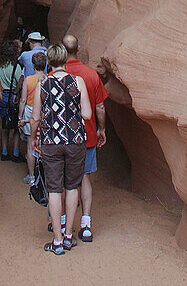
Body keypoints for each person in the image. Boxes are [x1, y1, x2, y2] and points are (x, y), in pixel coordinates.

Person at [30, 43, 91, 255]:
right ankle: (68, 236)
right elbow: (87, 114)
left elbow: (35, 117)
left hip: (51, 142)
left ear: (49, 60)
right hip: (75, 142)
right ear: (65, 59)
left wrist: (33, 138)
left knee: (54, 188)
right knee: (72, 186)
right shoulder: (78, 81)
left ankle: (56, 241)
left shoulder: (43, 84)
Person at [63, 33, 108, 242]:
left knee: (64, 178)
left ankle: (64, 221)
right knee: (84, 177)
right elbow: (100, 106)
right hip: (87, 136)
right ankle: (86, 224)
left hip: (62, 137)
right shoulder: (90, 75)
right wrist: (101, 130)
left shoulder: (57, 74)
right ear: (78, 49)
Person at [19, 50, 46, 183]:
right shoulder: (48, 79)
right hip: (44, 112)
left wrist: (20, 117)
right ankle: (44, 175)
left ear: (34, 66)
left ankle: (32, 176)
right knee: (44, 144)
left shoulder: (28, 80)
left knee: (31, 145)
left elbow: (23, 100)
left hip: (30, 111)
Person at [0, 40, 22, 162]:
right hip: (13, 96)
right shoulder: (16, 66)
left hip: (3, 96)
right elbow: (19, 81)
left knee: (5, 124)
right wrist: (16, 93)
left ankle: (4, 152)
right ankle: (16, 153)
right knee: (16, 126)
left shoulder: (0, 66)